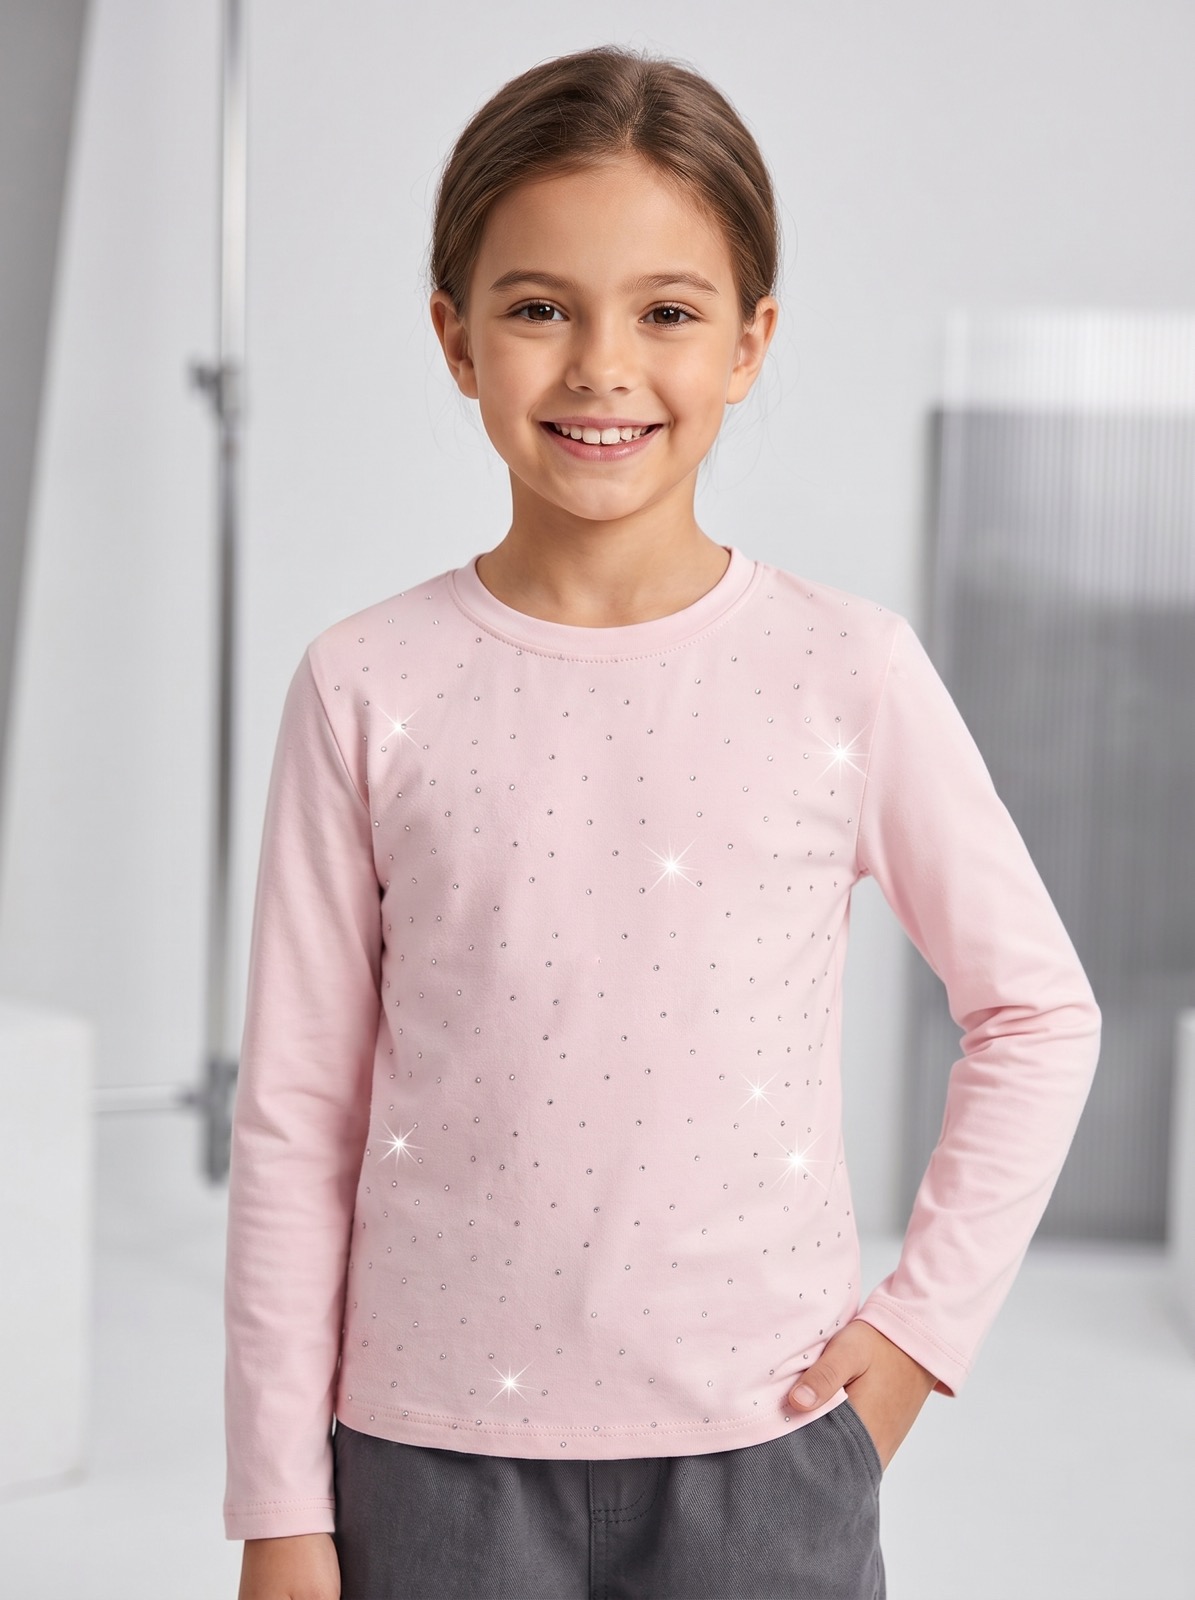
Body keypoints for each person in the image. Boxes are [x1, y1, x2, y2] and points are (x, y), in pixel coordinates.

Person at [223, 44, 1101, 1600]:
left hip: (765, 1458)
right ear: (455, 335)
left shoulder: (846, 671)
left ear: (752, 340)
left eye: (668, 314)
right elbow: (298, 1118)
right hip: (427, 1464)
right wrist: (279, 1506)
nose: (600, 368)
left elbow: (1037, 1011)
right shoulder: (364, 686)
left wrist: (915, 1341)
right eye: (539, 308)